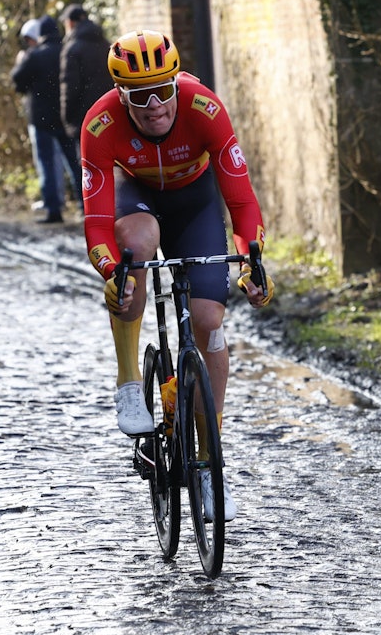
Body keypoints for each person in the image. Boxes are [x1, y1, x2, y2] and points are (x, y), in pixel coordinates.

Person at [81, 30, 275, 521]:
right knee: (136, 252)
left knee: (209, 318)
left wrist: (252, 258)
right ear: (121, 96)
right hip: (138, 198)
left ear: (176, 84)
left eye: (162, 91)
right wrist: (111, 269)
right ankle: (129, 382)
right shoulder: (100, 125)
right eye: (139, 97)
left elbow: (242, 200)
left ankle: (211, 461)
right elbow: (98, 222)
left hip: (196, 200)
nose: (153, 106)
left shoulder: (204, 108)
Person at [11, 15, 80, 223]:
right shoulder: (66, 51)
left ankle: (54, 210)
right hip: (65, 117)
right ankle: (85, 205)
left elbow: (17, 79)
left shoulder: (35, 55)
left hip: (41, 119)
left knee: (47, 164)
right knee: (75, 162)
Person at [60, 4, 114, 142]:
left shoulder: (72, 49)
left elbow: (70, 87)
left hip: (85, 117)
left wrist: (67, 118)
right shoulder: (105, 43)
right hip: (110, 112)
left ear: (70, 22)